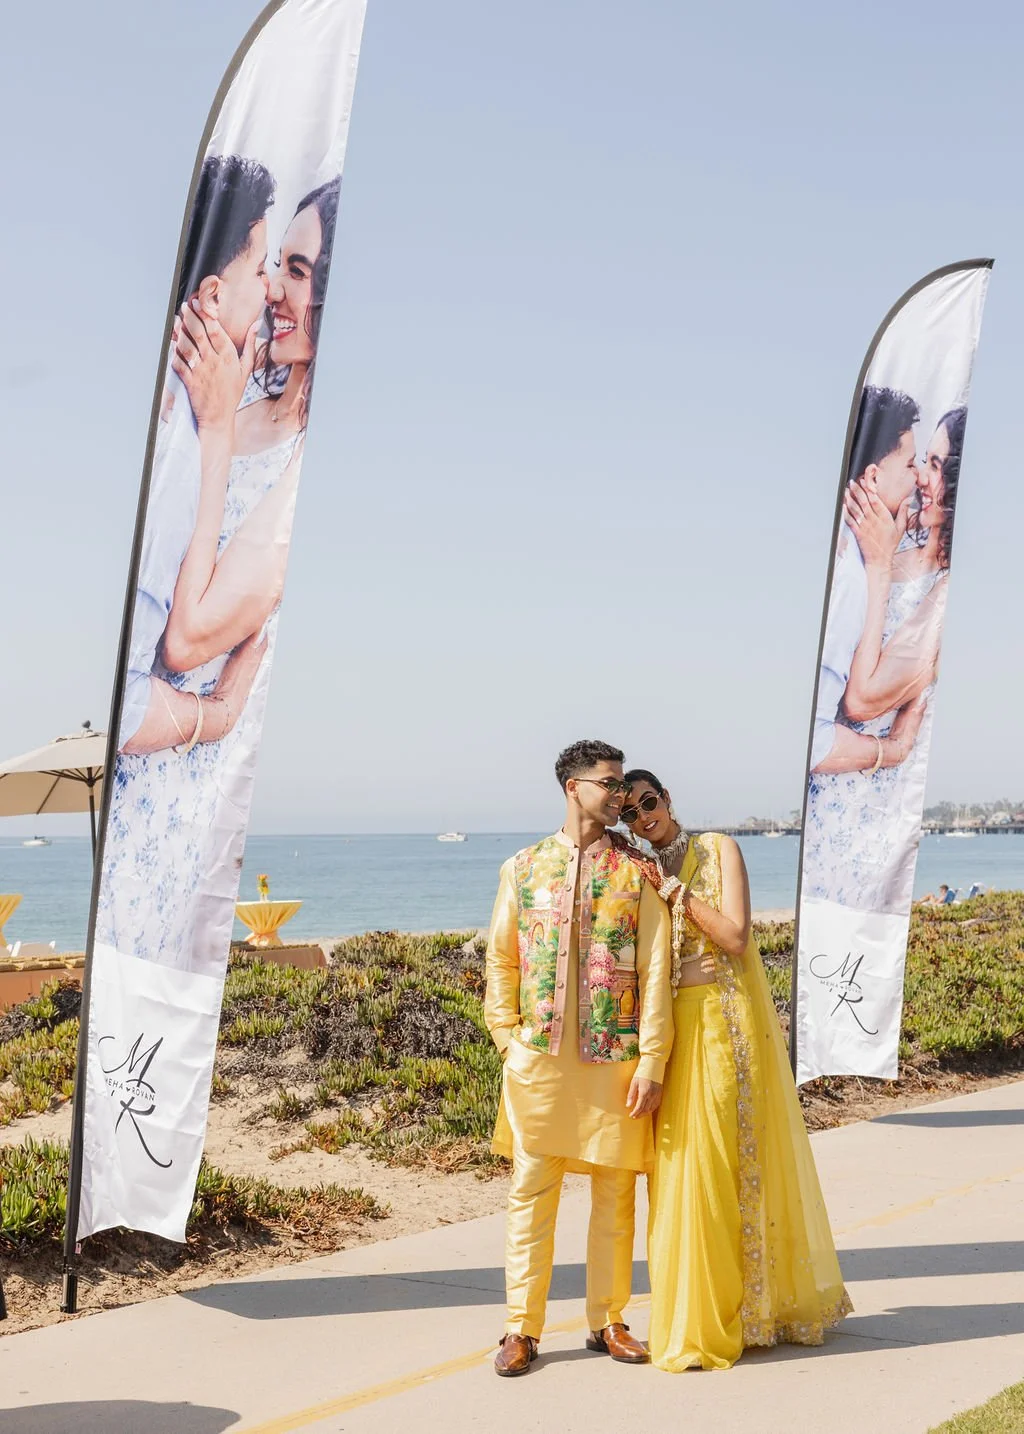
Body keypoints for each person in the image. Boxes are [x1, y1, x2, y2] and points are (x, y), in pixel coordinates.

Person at [616, 768, 850, 1372]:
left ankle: (753, 1312)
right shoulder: (639, 874)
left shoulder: (719, 849)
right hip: (672, 1033)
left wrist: (672, 892)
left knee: (729, 1158)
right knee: (682, 1170)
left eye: (649, 802)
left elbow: (737, 937)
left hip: (723, 1024)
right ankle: (706, 1309)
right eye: (631, 813)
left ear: (667, 798)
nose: (644, 816)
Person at [485, 740, 672, 1377]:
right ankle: (520, 1327)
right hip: (537, 1056)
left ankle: (608, 1319)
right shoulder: (524, 866)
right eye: (610, 783)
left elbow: (653, 968)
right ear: (573, 786)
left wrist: (652, 1060)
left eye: (623, 784)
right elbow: (502, 957)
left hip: (614, 1058)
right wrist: (506, 1037)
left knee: (615, 1192)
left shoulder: (636, 869)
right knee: (530, 1191)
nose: (620, 794)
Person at [119, 154, 277, 757]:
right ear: (213, 293)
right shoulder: (180, 464)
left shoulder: (188, 389)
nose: (270, 291)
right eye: (261, 270)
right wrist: (221, 714)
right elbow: (128, 705)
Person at [805, 407, 967, 911]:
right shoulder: (895, 538)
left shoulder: (942, 591)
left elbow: (862, 698)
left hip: (863, 806)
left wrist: (878, 566)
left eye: (936, 466)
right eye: (923, 461)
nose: (921, 474)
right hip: (828, 784)